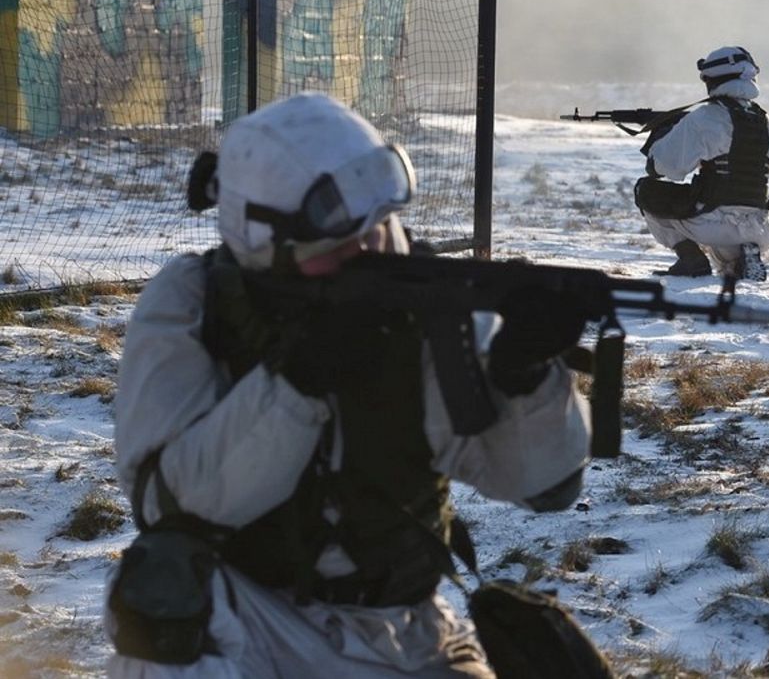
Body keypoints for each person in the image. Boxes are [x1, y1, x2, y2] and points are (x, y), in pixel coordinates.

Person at [104, 93, 595, 677]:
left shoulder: (424, 303)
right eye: (337, 243)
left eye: (377, 227)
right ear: (264, 241)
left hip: (406, 631)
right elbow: (167, 507)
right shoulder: (194, 301)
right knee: (157, 602)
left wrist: (527, 378)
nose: (369, 251)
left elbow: (544, 487)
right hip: (253, 619)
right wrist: (297, 386)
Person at [632, 45, 769, 281]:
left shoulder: (705, 117)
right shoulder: (763, 120)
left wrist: (664, 136)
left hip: (711, 221)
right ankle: (743, 256)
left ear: (712, 79)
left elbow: (663, 167)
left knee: (647, 191)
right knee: (727, 249)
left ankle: (690, 259)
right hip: (760, 228)